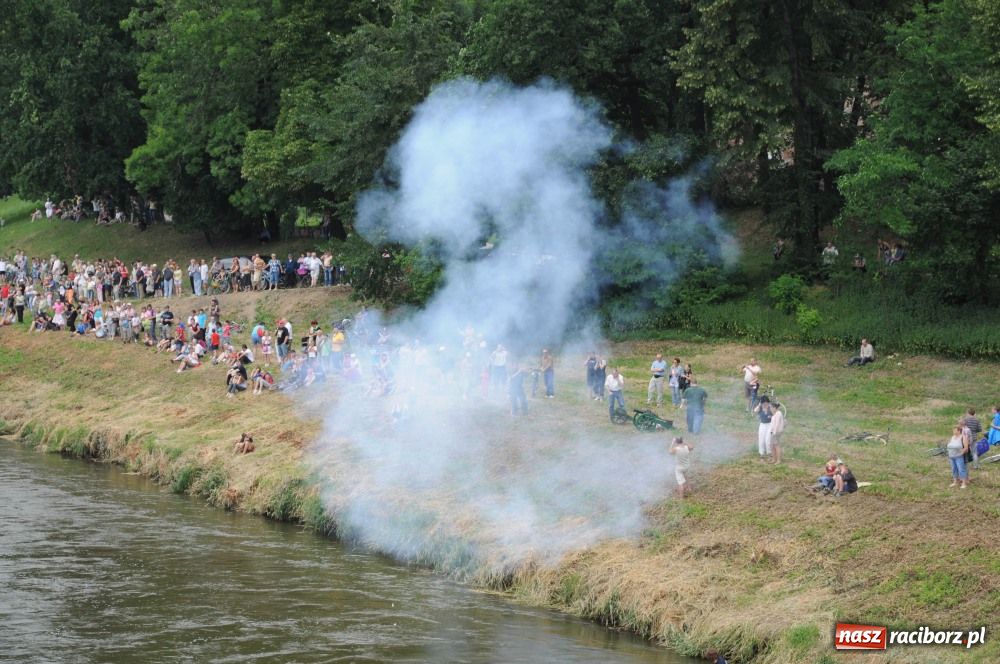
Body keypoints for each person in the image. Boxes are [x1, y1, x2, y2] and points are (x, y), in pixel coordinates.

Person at [752, 396, 772, 460]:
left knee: (768, 440)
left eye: (766, 403)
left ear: (768, 402)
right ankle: (762, 453)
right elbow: (755, 411)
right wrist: (759, 405)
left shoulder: (770, 407)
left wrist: (771, 416)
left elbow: (776, 414)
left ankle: (769, 453)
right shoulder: (760, 407)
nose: (765, 405)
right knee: (761, 439)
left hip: (770, 425)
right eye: (764, 403)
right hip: (762, 425)